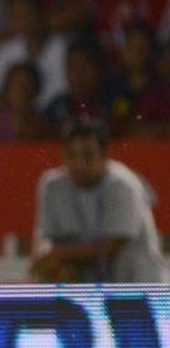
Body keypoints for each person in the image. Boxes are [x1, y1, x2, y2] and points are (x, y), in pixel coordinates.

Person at [31, 119, 169, 284]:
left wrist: (60, 255)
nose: (80, 164)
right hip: (94, 288)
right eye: (72, 156)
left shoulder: (123, 184)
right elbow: (46, 239)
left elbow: (112, 247)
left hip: (138, 288)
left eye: (88, 156)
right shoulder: (52, 185)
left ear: (104, 157)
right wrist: (51, 261)